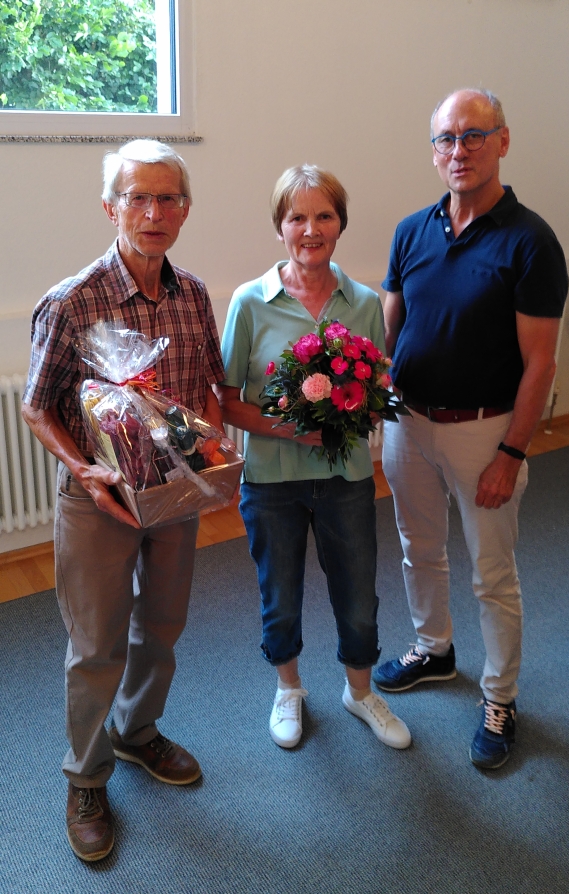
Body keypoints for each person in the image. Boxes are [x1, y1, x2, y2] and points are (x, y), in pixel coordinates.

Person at [22, 140, 225, 861]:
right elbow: (36, 407)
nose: (153, 212)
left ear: (186, 210)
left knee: (162, 626)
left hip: (173, 492)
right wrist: (88, 467)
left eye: (168, 198)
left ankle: (137, 732)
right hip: (97, 499)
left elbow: (206, 385)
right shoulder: (72, 300)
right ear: (110, 207)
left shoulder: (195, 294)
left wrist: (212, 442)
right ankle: (85, 776)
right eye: (137, 198)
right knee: (96, 643)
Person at [373, 89, 568, 769]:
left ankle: (501, 696)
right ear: (433, 151)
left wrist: (512, 452)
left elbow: (541, 362)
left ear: (503, 142)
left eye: (473, 136)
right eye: (445, 139)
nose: (458, 150)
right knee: (417, 547)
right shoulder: (411, 230)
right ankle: (433, 649)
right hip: (409, 424)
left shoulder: (531, 241)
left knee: (493, 574)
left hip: (485, 432)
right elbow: (390, 332)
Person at [215, 165, 411, 752]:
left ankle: (360, 690)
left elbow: (377, 388)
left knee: (357, 592)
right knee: (280, 592)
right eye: (296, 216)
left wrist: (363, 411)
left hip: (346, 477)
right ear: (280, 227)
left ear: (340, 224)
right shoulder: (251, 303)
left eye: (324, 215)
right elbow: (227, 401)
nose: (310, 228)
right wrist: (290, 429)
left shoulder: (366, 304)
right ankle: (290, 689)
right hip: (272, 480)